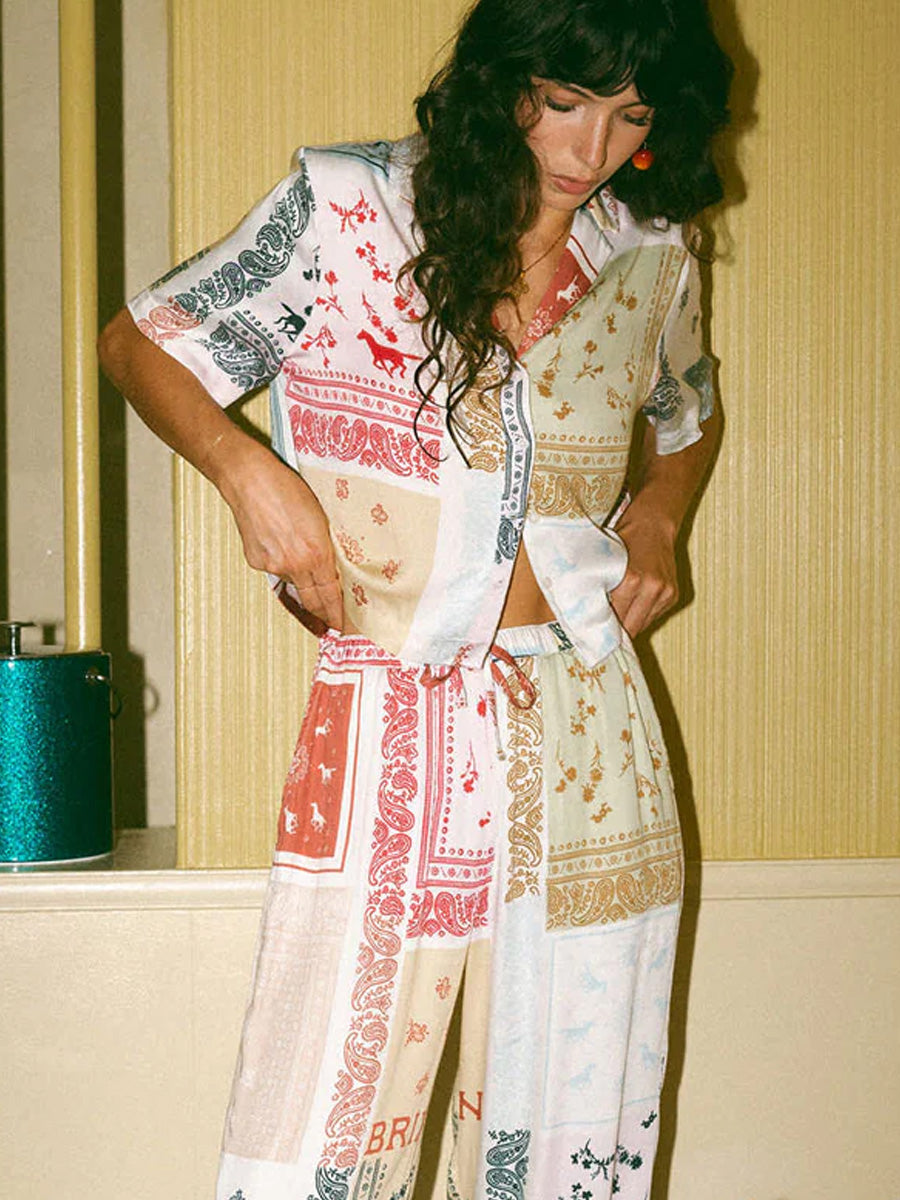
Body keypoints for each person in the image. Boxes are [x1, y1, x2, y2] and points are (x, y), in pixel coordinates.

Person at [99, 0, 732, 1195]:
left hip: (589, 728)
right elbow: (142, 343)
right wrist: (248, 474)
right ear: (506, 81)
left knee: (565, 1126)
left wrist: (659, 514)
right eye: (564, 101)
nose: (589, 149)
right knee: (326, 1126)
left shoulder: (650, 254)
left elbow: (685, 419)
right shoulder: (352, 208)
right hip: (393, 707)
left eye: (630, 116)